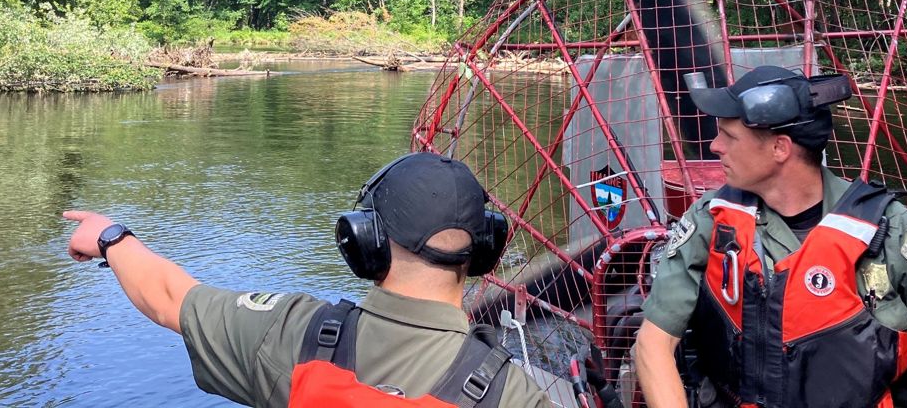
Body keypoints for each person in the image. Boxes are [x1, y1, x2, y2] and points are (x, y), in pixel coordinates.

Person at [634, 65, 907, 408]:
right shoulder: (711, 219)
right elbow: (652, 344)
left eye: (729, 136)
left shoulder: (890, 232)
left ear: (780, 148)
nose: (715, 147)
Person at [64, 151, 553, 408]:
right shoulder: (514, 395)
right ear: (486, 248)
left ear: (364, 241)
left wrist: (111, 235)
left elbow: (167, 298)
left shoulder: (293, 336)